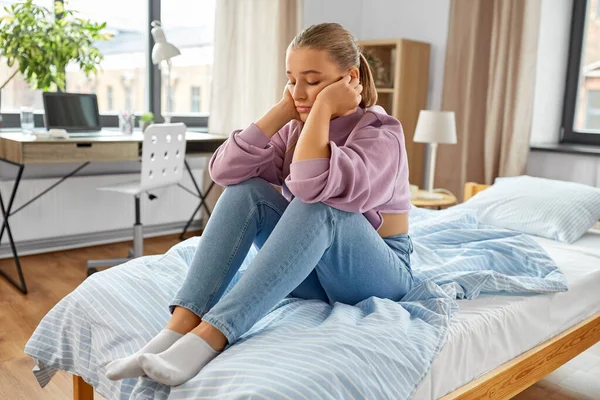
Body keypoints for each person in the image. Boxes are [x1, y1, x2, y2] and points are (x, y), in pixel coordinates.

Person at [105, 22, 414, 387]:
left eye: (312, 81)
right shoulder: (295, 125)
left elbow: (310, 185)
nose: (299, 92)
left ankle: (211, 337)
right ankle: (177, 329)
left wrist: (322, 109)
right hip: (313, 275)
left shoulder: (381, 132)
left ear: (348, 78)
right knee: (246, 191)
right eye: (291, 79)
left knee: (320, 206)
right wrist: (283, 111)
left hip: (377, 275)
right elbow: (223, 171)